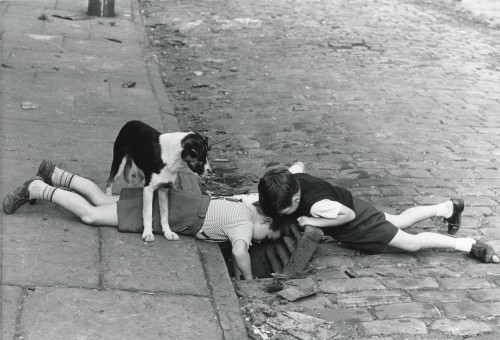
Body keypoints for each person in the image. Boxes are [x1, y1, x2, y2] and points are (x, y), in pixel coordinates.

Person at [3, 160, 280, 280]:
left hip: (172, 199)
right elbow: (239, 251)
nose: (258, 241)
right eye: (264, 237)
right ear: (265, 221)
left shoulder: (242, 206)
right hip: (165, 213)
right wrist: (248, 278)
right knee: (91, 215)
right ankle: (38, 188)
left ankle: (56, 174)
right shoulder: (244, 226)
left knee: (101, 198)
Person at [258, 162, 499, 263]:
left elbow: (347, 217)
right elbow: (299, 163)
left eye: (284, 209)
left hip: (358, 222)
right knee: (400, 220)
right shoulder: (292, 177)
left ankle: (469, 245)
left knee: (411, 243)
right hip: (356, 204)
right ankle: (446, 208)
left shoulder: (317, 206)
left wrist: (311, 219)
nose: (283, 214)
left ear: (296, 198)